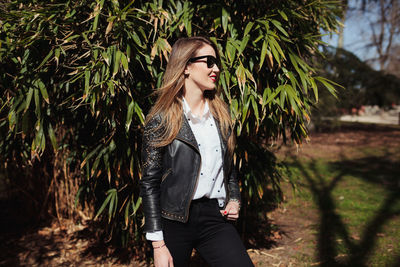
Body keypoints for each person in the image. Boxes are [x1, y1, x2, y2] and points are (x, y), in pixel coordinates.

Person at [140, 36, 254, 267]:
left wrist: (234, 199)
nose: (217, 68)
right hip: (174, 220)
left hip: (214, 218)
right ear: (186, 66)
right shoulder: (161, 120)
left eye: (217, 62)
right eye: (209, 61)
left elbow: (229, 171)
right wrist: (158, 245)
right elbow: (149, 183)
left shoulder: (221, 117)